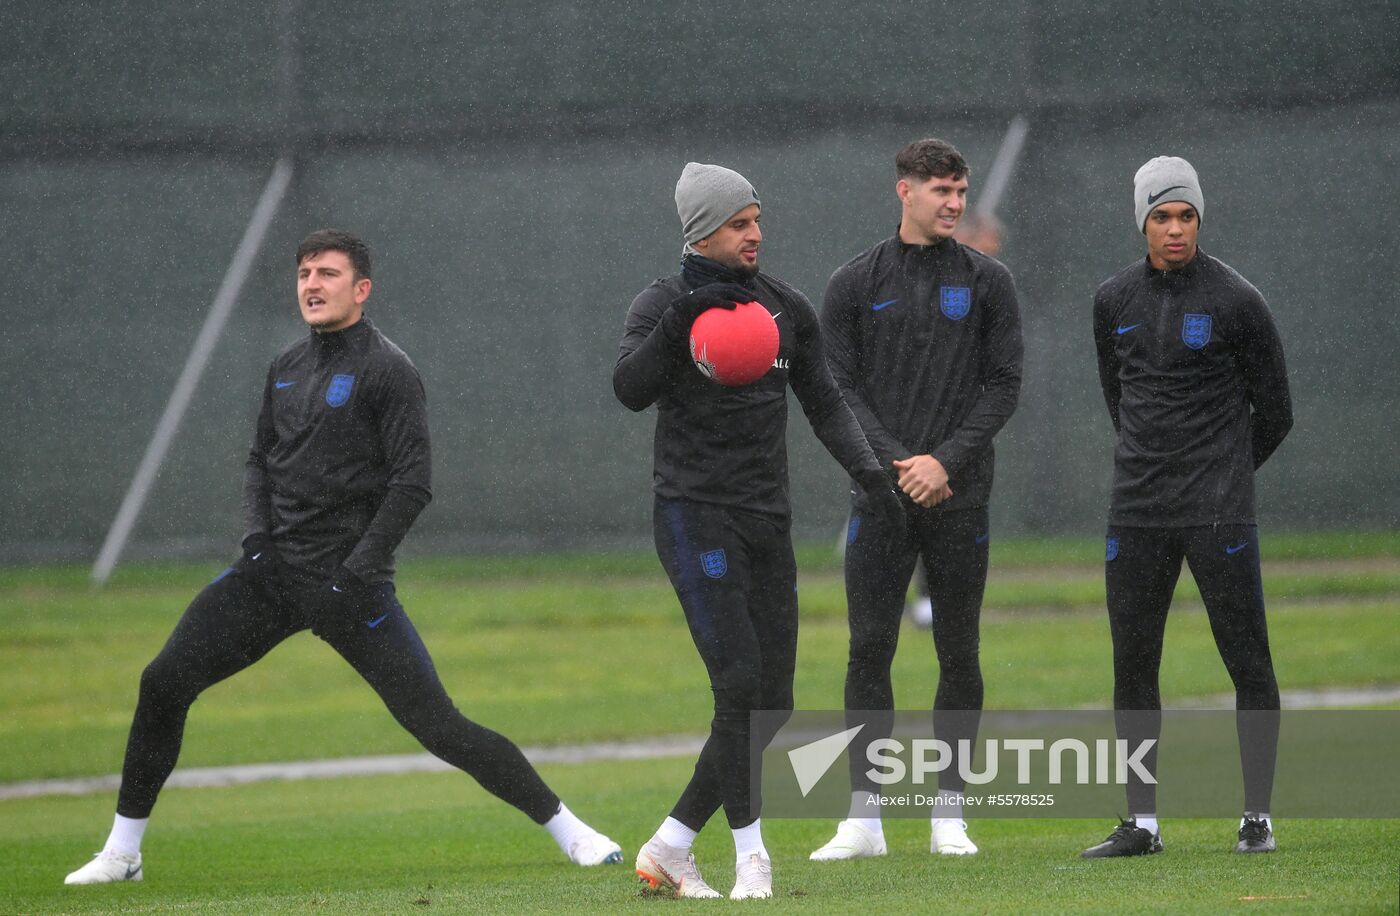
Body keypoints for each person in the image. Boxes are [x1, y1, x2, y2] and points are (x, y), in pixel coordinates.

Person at [64, 229, 622, 886]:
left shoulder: (389, 369)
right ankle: (122, 854)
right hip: (269, 578)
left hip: (350, 588)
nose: (311, 284)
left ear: (361, 289)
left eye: (327, 273)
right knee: (162, 683)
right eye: (304, 272)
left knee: (439, 725)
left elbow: (412, 484)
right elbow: (257, 462)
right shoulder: (285, 367)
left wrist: (355, 575)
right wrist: (256, 541)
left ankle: (572, 831)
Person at [613, 163, 904, 899]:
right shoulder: (661, 302)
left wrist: (872, 473)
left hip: (766, 519)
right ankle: (752, 857)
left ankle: (672, 844)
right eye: (741, 223)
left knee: (772, 704)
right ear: (702, 231)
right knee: (738, 682)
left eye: (757, 219)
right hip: (691, 513)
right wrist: (683, 321)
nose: (756, 234)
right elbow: (629, 389)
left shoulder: (785, 308)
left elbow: (826, 403)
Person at [810, 138, 1023, 862]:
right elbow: (840, 389)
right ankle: (863, 821)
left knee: (959, 652)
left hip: (961, 499)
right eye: (941, 191)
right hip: (881, 501)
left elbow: (1003, 387)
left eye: (961, 191)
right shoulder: (854, 282)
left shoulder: (989, 282)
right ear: (905, 190)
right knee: (870, 649)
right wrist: (901, 466)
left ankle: (948, 816)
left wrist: (945, 461)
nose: (956, 204)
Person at [1081, 157, 1292, 858]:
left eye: (1187, 215)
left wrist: (1222, 473)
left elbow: (1278, 413)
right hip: (1137, 512)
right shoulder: (1112, 300)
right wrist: (1158, 465)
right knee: (1133, 665)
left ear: (1200, 218)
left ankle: (1256, 816)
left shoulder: (1238, 301)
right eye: (1162, 216)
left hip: (1218, 514)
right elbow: (1121, 400)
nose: (1175, 229)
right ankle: (1142, 824)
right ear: (1141, 219)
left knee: (1248, 662)